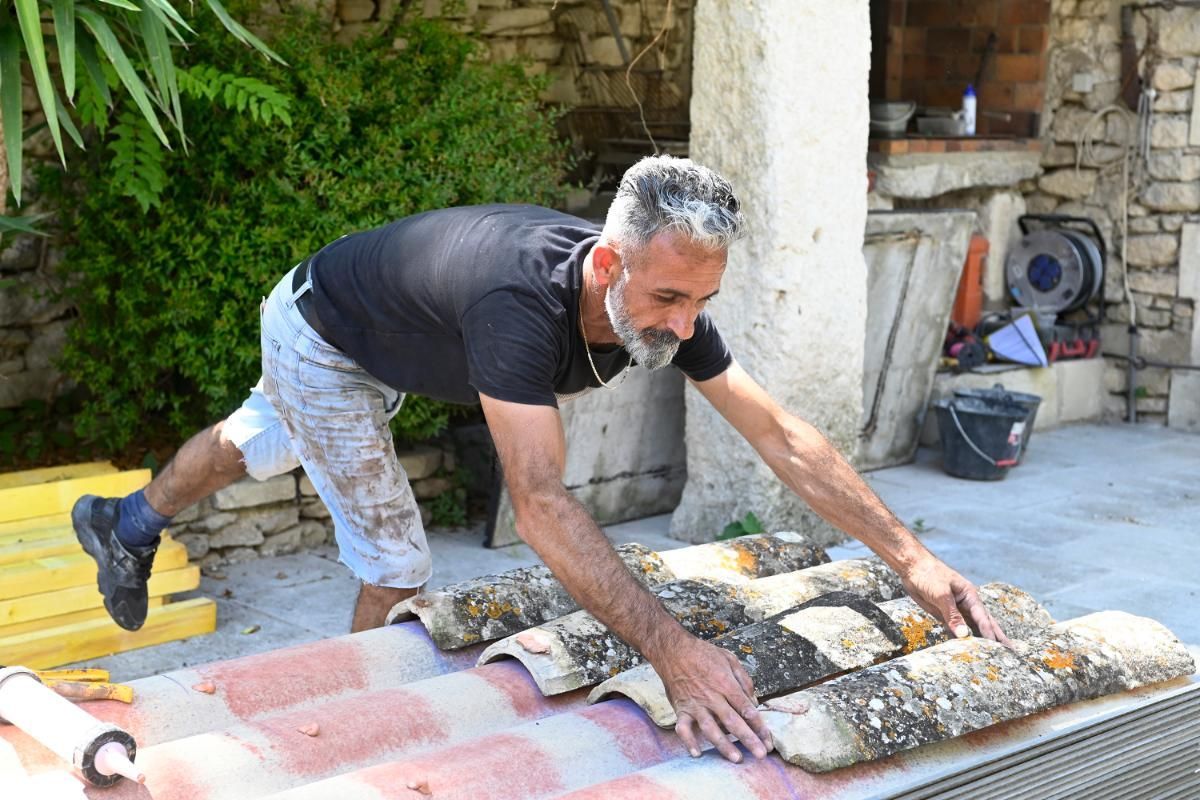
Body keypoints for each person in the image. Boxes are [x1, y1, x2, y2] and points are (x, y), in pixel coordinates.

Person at [73, 155, 1009, 763]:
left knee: (262, 440)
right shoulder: (520, 303)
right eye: (672, 297)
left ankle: (128, 522)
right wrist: (673, 650)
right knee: (395, 556)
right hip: (326, 333)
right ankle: (354, 745)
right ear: (608, 266)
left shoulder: (659, 303)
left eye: (701, 301)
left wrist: (914, 559)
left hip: (373, 324)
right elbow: (540, 502)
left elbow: (780, 434)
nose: (685, 327)